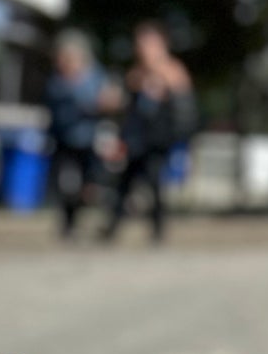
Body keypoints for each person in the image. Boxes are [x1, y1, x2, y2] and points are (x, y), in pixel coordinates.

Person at [103, 22, 195, 244]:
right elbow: (127, 107)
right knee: (125, 183)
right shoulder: (136, 73)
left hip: (159, 139)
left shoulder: (173, 70)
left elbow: (183, 106)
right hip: (137, 139)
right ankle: (113, 226)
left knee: (154, 183)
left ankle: (158, 228)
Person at [45, 31, 115, 238]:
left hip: (90, 140)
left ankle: (104, 220)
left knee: (91, 185)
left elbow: (110, 100)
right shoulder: (57, 81)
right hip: (63, 139)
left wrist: (104, 103)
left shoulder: (96, 76)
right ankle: (68, 225)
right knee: (65, 185)